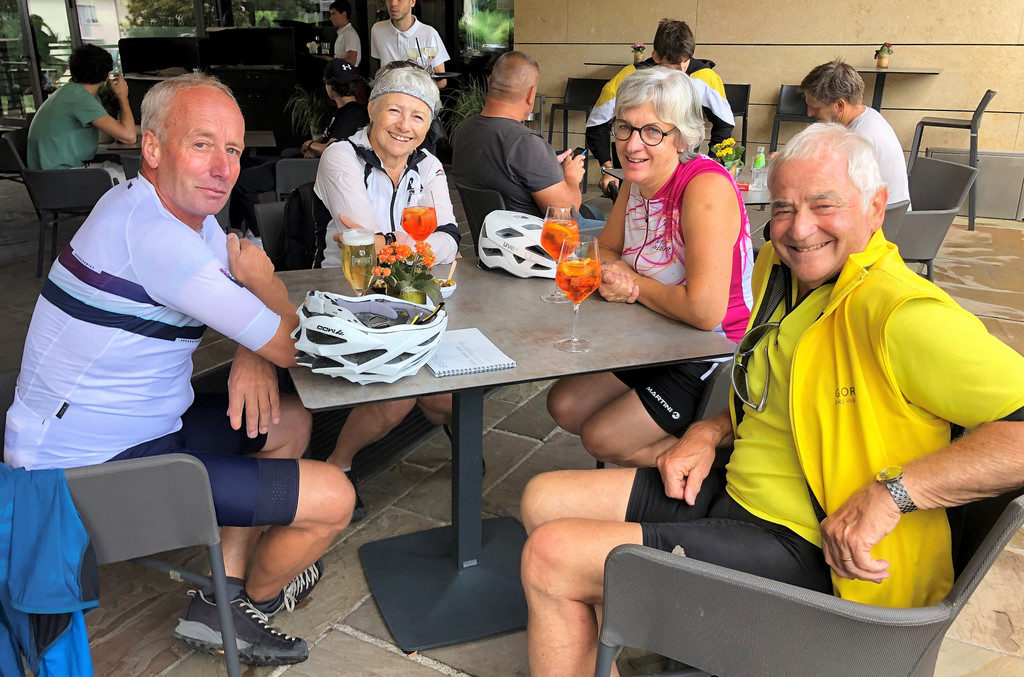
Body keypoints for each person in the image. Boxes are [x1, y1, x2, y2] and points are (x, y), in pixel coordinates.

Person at [520, 122, 1024, 676]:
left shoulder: (899, 313)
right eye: (783, 208)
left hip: (817, 554)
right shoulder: (780, 272)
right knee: (543, 498)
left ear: (875, 208)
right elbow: (778, 391)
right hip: (739, 495)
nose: (799, 229)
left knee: (551, 559)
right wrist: (709, 431)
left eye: (824, 205)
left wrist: (894, 494)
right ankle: (648, 628)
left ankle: (644, 621)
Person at [4, 73, 355, 667]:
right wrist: (266, 286)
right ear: (152, 147)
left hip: (131, 430)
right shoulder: (160, 241)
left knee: (289, 421)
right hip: (82, 476)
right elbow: (304, 347)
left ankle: (222, 600)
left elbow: (236, 284)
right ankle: (253, 607)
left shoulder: (161, 207)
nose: (223, 168)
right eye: (201, 144)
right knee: (336, 498)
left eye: (233, 150)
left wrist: (251, 351)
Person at [547, 67, 753, 467]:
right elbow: (606, 248)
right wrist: (616, 274)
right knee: (565, 405)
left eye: (652, 131)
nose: (632, 145)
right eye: (625, 127)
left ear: (682, 137)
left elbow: (703, 311)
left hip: (711, 351)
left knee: (602, 437)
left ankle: (715, 469)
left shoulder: (704, 189)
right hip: (655, 334)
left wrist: (633, 285)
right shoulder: (635, 180)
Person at [314, 63, 458, 519]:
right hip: (347, 292)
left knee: (449, 395)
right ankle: (337, 464)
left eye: (418, 116)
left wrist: (393, 245)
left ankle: (456, 431)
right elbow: (364, 244)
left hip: (409, 291)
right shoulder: (341, 156)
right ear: (373, 109)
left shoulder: (428, 164)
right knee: (400, 394)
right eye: (394, 110)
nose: (405, 125)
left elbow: (451, 237)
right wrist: (417, 245)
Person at [585, 19, 734, 199]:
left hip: (682, 172)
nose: (681, 70)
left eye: (686, 61)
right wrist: (608, 168)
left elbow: (725, 124)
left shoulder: (705, 77)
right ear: (655, 56)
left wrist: (710, 167)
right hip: (636, 171)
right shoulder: (629, 77)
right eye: (673, 64)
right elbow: (596, 124)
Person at [229, 60, 368, 242]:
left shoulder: (351, 113)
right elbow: (325, 139)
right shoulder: (342, 111)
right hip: (300, 161)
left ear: (330, 85)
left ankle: (259, 237)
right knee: (242, 164)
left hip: (305, 169)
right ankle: (235, 230)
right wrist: (312, 145)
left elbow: (331, 148)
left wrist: (309, 145)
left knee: (244, 181)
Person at [451, 51, 586, 219]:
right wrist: (571, 177)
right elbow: (563, 215)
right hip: (533, 233)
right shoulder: (525, 142)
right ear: (531, 94)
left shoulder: (465, 129)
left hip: (489, 232)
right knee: (597, 217)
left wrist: (546, 165)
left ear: (489, 81)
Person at [800, 59, 910, 206]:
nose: (809, 113)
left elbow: (830, 188)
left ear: (839, 105)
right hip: (881, 209)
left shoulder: (860, 138)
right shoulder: (868, 115)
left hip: (884, 217)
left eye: (816, 107)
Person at [27, 43, 136, 181]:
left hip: (52, 173)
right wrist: (122, 96)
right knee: (135, 177)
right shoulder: (81, 99)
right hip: (61, 176)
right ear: (106, 75)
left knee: (127, 170)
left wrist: (150, 130)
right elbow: (128, 136)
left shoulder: (73, 93)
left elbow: (115, 127)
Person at [370, 0, 449, 88]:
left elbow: (442, 81)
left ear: (412, 2)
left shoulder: (429, 34)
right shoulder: (377, 30)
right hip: (388, 93)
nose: (393, 3)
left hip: (418, 94)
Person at [329, 0, 361, 66]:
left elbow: (352, 61)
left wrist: (331, 60)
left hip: (347, 71)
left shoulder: (349, 33)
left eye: (333, 14)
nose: (331, 18)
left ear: (344, 14)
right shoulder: (342, 32)